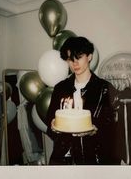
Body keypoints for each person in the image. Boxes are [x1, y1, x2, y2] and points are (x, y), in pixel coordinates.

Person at [46, 36, 121, 165]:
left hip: (95, 160)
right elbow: (50, 121)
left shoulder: (105, 89)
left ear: (90, 56)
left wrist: (95, 130)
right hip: (64, 159)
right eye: (70, 59)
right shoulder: (60, 89)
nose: (74, 63)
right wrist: (53, 125)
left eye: (79, 57)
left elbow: (116, 129)